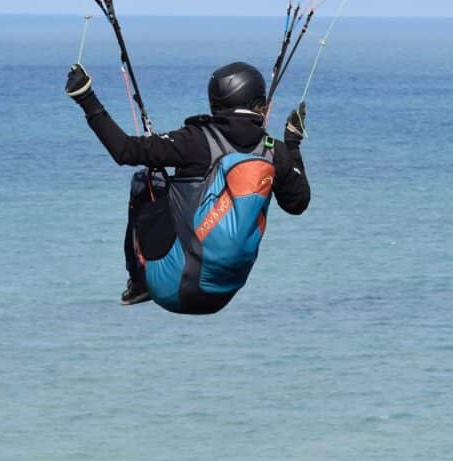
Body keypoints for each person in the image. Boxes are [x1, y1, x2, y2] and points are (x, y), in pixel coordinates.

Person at [66, 61, 311, 314]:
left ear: (215, 103)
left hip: (172, 287)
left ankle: (138, 283)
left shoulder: (195, 139)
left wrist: (85, 97)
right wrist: (292, 144)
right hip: (222, 294)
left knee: (145, 181)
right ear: (259, 103)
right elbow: (297, 203)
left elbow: (125, 150)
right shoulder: (275, 151)